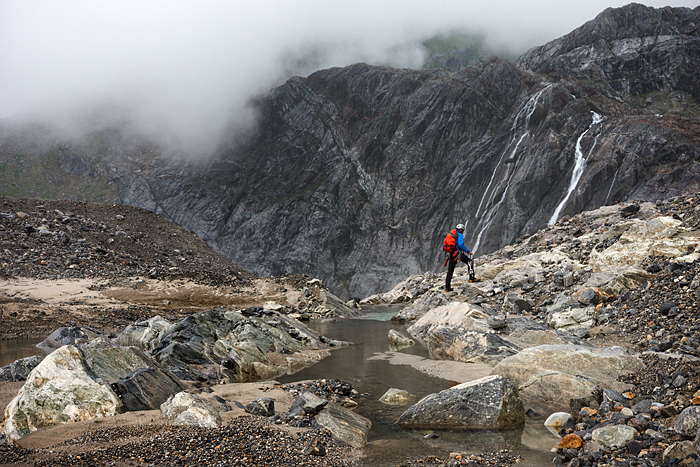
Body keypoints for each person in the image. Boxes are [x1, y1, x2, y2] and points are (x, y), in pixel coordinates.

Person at [444, 223, 474, 292]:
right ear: (461, 229)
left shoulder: (451, 234)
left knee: (450, 271)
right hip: (457, 254)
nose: (463, 232)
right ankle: (471, 277)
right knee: (470, 262)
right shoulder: (459, 235)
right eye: (463, 230)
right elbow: (460, 245)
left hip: (451, 254)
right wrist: (468, 251)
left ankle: (447, 287)